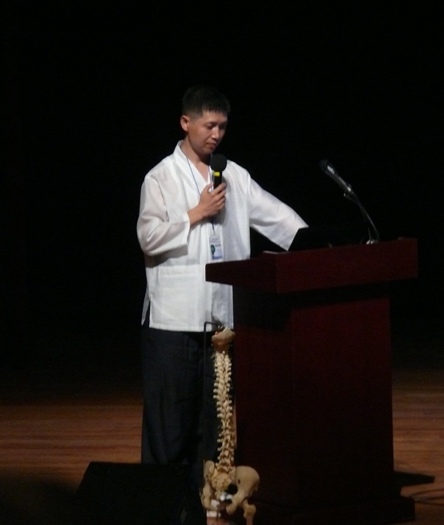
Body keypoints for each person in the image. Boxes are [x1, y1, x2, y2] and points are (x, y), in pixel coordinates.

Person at [136, 86, 307, 486]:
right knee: (170, 425)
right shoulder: (160, 177)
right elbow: (148, 237)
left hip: (221, 323)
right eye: (209, 125)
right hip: (173, 322)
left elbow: (278, 218)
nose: (216, 135)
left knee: (216, 425)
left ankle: (208, 501)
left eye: (223, 127)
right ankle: (160, 501)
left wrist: (317, 245)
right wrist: (196, 213)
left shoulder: (233, 176)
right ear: (186, 122)